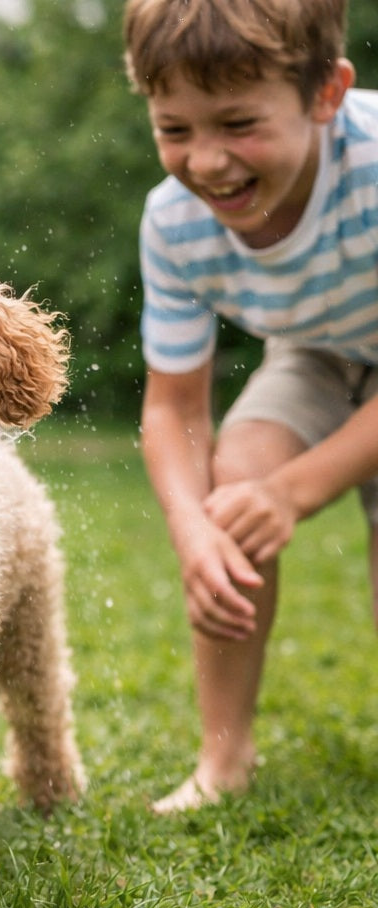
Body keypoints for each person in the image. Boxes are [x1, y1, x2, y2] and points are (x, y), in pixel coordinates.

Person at [124, 0, 378, 812]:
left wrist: (294, 492)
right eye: (175, 129)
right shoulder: (174, 224)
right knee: (232, 489)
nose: (207, 162)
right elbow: (174, 411)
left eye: (237, 123)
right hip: (321, 350)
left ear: (325, 94)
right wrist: (193, 527)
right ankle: (223, 759)